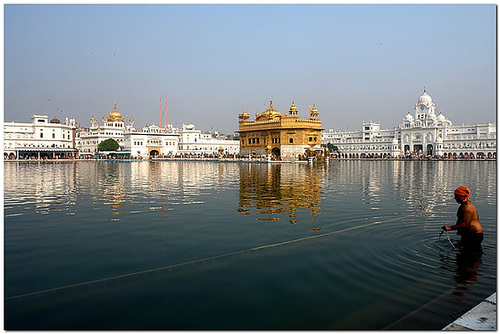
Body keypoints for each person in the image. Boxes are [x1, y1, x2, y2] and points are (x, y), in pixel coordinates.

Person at [442, 186, 484, 253]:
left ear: (462, 196)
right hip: (468, 235)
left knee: (470, 256)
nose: (455, 198)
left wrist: (450, 228)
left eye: (456, 196)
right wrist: (459, 230)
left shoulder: (468, 207)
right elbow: (461, 219)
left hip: (474, 236)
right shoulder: (463, 205)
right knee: (463, 255)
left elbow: (466, 223)